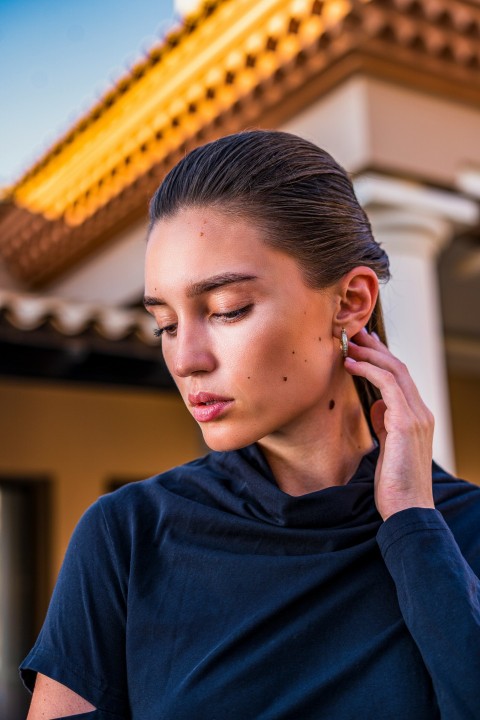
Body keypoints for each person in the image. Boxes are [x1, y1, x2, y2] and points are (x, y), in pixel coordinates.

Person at [21, 130, 480, 719]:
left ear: (350, 302)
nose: (186, 359)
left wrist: (414, 527)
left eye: (226, 310)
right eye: (165, 324)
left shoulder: (464, 533)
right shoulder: (129, 536)